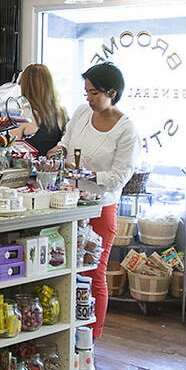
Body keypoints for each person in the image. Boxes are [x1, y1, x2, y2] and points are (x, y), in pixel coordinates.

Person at [61, 62, 139, 338]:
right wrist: (57, 153)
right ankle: (65, 331)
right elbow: (66, 140)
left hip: (101, 207)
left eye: (94, 93)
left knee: (94, 271)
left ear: (112, 92)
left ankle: (91, 336)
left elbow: (120, 177)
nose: (89, 98)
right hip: (69, 203)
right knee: (64, 270)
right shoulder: (82, 112)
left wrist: (87, 174)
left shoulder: (127, 131)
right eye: (86, 92)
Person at [12, 63, 69, 156]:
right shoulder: (61, 112)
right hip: (54, 168)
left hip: (30, 168)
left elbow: (11, 149)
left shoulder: (22, 114)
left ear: (25, 86)